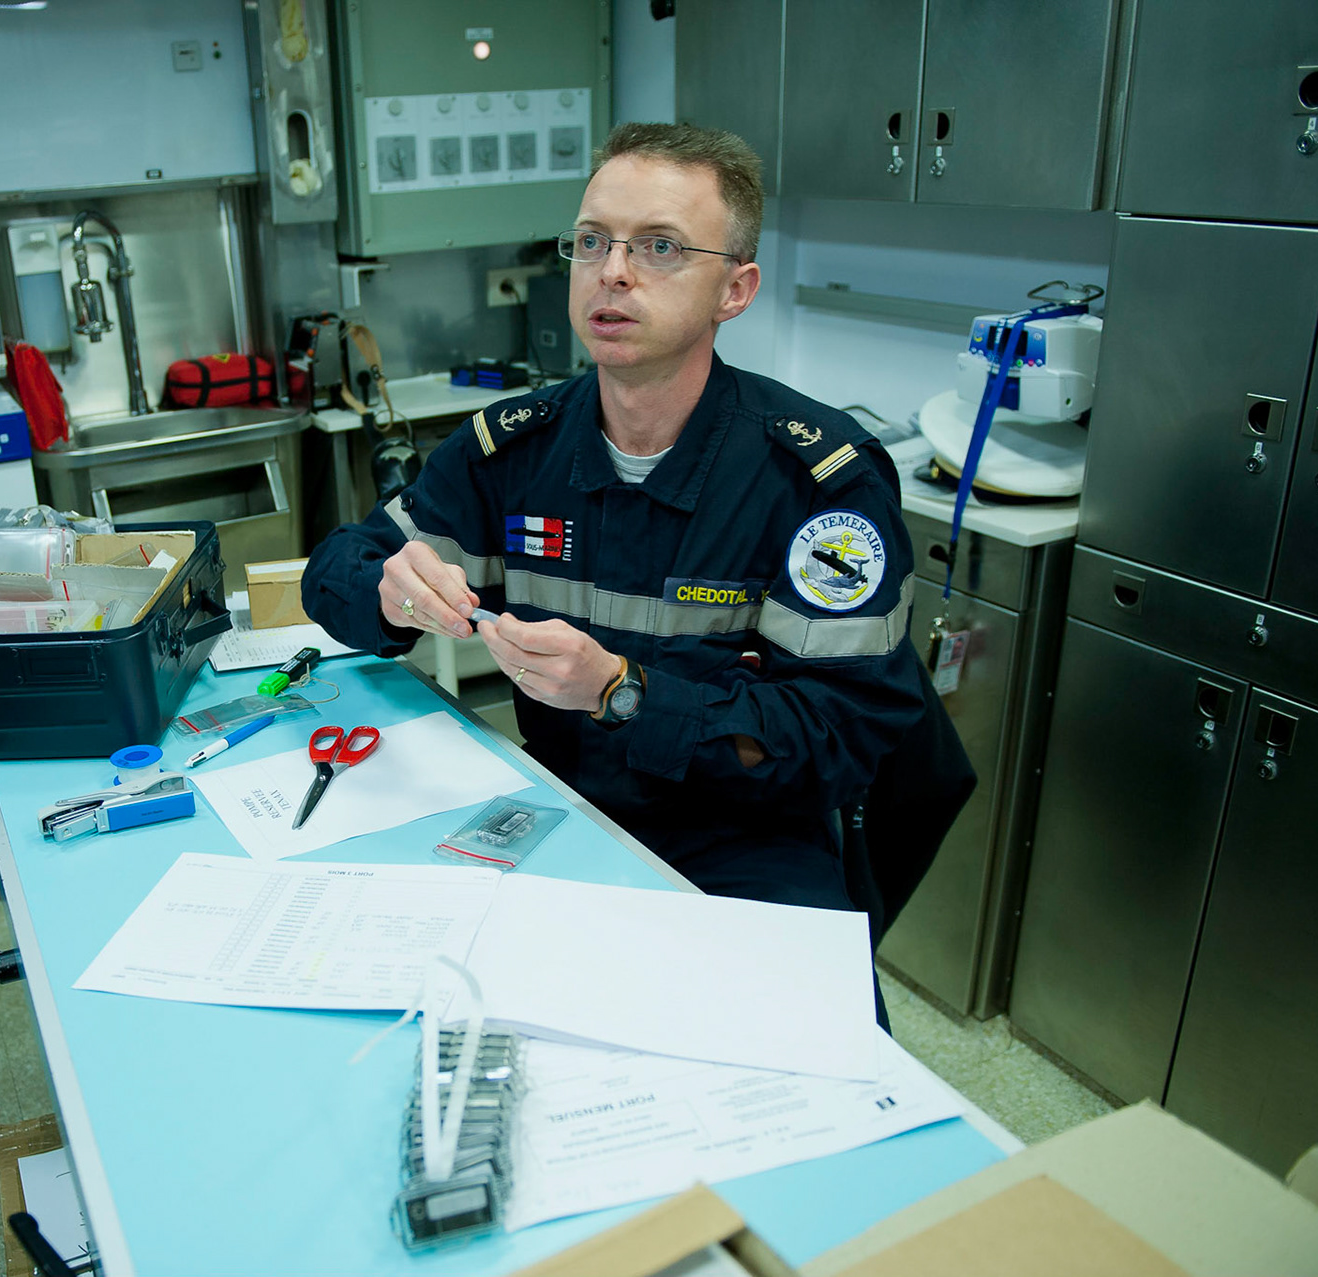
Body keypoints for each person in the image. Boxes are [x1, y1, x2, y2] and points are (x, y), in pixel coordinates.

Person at [301, 122, 928, 939]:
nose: (614, 272)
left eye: (660, 247)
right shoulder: (512, 450)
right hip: (560, 815)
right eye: (592, 241)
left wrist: (620, 690)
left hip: (748, 845)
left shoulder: (815, 481)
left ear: (735, 291)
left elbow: (839, 737)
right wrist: (387, 593)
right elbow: (337, 568)